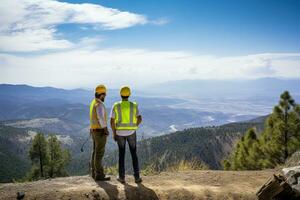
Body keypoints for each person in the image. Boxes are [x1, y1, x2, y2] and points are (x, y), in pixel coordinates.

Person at [110, 86, 142, 183]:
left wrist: (114, 133)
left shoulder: (116, 105)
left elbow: (111, 121)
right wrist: (134, 126)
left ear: (120, 95)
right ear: (129, 94)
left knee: (121, 155)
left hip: (119, 133)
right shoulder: (134, 105)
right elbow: (140, 118)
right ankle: (137, 177)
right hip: (131, 133)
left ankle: (122, 177)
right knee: (134, 154)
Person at [89, 84, 110, 181]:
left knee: (95, 152)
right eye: (104, 94)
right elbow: (101, 119)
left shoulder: (93, 102)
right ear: (101, 94)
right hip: (100, 132)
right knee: (99, 154)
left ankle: (93, 173)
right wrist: (106, 130)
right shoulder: (100, 105)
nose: (105, 96)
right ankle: (99, 175)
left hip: (94, 130)